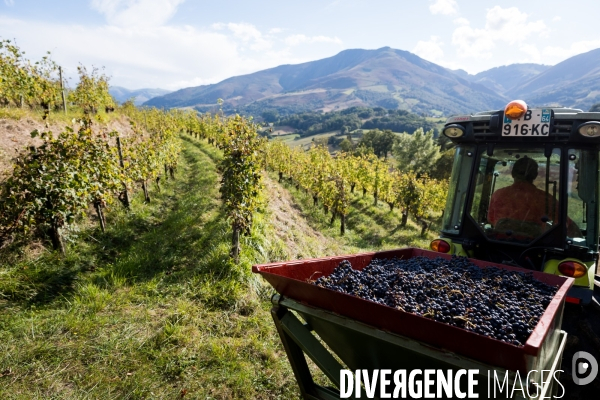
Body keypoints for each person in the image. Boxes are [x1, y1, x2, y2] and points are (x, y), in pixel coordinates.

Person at [488, 156, 580, 237]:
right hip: (534, 251)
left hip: (499, 246)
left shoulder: (498, 195)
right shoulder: (545, 199)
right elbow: (567, 225)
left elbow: (491, 219)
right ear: (535, 175)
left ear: (512, 174)